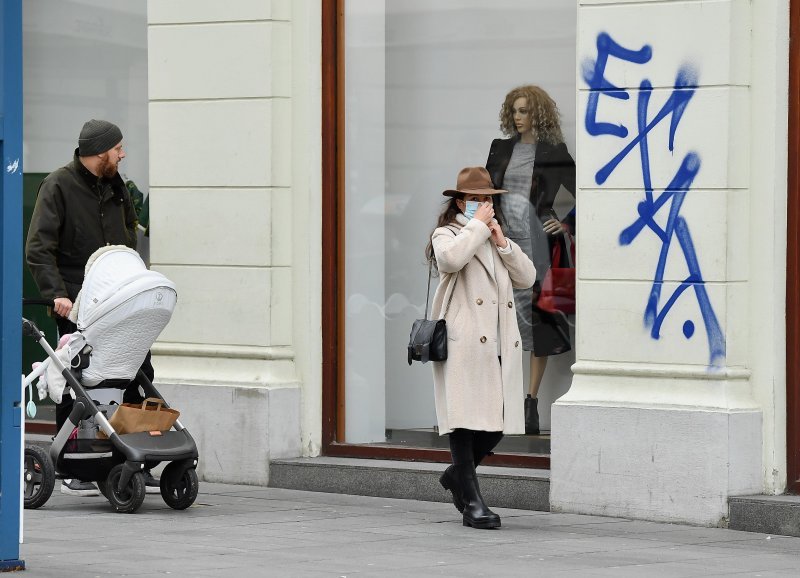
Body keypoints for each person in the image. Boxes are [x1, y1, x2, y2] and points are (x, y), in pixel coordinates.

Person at [25, 119, 159, 496]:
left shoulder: (118, 189)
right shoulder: (58, 186)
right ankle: (74, 464)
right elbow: (38, 249)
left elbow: (128, 243)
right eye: (118, 148)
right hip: (76, 305)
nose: (123, 154)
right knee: (76, 382)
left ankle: (135, 459)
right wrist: (56, 294)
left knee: (136, 373)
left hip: (120, 304)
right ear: (101, 151)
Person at [426, 166, 535, 529]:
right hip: (464, 342)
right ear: (460, 202)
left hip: (498, 343)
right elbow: (450, 260)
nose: (483, 205)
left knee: (496, 424)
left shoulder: (491, 237)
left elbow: (527, 277)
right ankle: (472, 502)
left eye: (487, 199)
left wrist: (502, 241)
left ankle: (458, 476)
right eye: (475, 199)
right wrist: (477, 228)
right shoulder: (448, 233)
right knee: (464, 422)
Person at [485, 85, 576, 435]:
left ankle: (530, 402)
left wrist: (564, 222)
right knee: (499, 319)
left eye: (524, 111)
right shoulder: (500, 149)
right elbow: (484, 191)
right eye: (515, 111)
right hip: (501, 241)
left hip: (537, 245)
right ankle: (499, 400)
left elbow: (581, 189)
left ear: (538, 114)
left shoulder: (554, 152)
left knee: (537, 322)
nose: (518, 118)